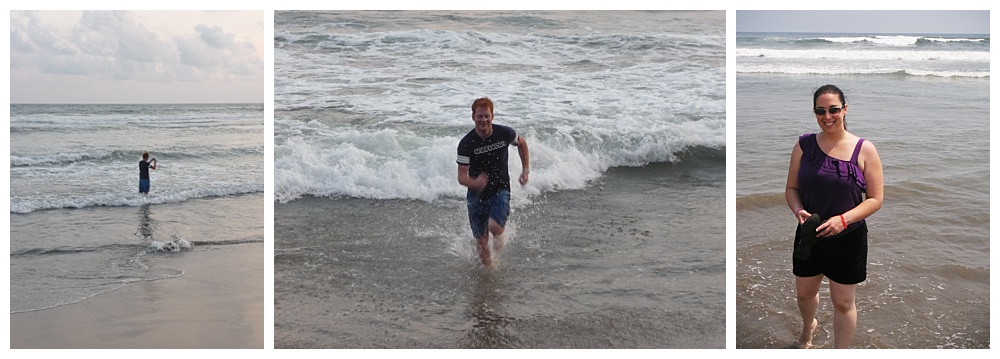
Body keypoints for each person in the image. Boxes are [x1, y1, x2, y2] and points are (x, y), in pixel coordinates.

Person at [784, 84, 883, 348]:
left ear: (845, 109)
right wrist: (797, 211)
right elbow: (791, 188)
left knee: (842, 302)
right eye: (821, 110)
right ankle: (809, 328)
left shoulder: (864, 149)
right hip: (809, 232)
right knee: (805, 294)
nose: (827, 116)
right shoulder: (803, 145)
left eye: (833, 110)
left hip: (848, 236)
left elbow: (875, 200)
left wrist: (843, 220)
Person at [457, 97, 530, 267]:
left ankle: (499, 234)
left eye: (486, 116)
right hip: (476, 196)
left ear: (492, 116)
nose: (483, 120)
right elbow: (461, 177)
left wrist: (525, 170)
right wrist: (476, 183)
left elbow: (522, 143)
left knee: (494, 227)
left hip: (500, 188)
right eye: (480, 116)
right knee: (481, 242)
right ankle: (489, 275)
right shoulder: (466, 144)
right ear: (473, 117)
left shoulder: (504, 133)